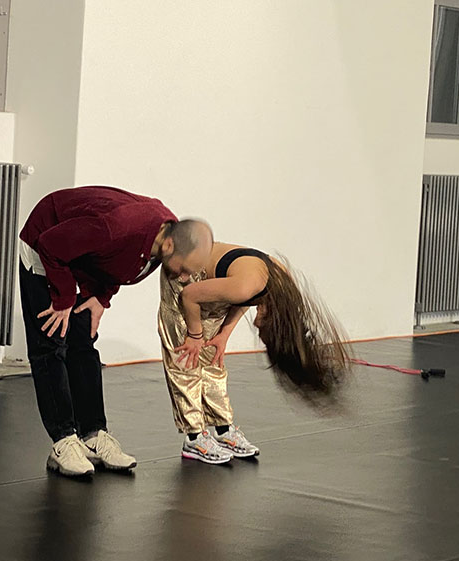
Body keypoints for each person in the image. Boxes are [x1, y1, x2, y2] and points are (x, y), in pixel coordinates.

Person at [19, 186, 212, 478]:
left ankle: (93, 435)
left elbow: (119, 262)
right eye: (184, 269)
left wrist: (101, 297)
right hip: (46, 241)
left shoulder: (163, 238)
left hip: (77, 258)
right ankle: (63, 441)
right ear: (170, 245)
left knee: (83, 344)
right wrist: (63, 299)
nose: (184, 277)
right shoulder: (117, 228)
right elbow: (51, 244)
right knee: (50, 344)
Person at [158, 241, 349, 464]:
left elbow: (245, 299)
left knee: (212, 357)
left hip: (209, 281)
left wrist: (224, 334)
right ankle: (194, 438)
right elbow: (190, 295)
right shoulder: (246, 286)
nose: (258, 331)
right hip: (185, 269)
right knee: (186, 358)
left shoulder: (277, 291)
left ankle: (223, 429)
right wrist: (194, 335)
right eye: (264, 335)